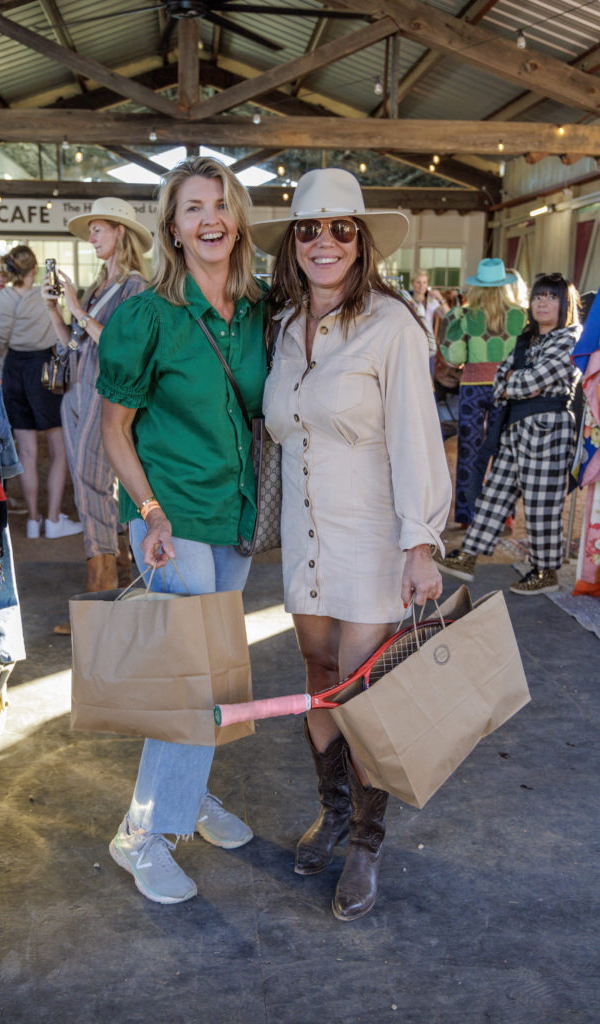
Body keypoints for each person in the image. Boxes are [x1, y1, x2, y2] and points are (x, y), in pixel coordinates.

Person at [252, 168, 452, 922]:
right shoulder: (281, 329)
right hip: (306, 537)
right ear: (293, 244)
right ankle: (332, 811)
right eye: (309, 228)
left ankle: (366, 841)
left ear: (360, 241)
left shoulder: (392, 326)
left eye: (340, 228)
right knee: (316, 674)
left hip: (372, 535)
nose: (324, 240)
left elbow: (415, 438)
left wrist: (420, 543)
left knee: (361, 692)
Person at [97, 157, 267, 905]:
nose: (210, 218)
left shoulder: (258, 310)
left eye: (221, 204)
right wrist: (151, 512)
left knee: (217, 671)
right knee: (189, 678)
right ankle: (141, 832)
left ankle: (187, 793)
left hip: (232, 517)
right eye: (193, 206)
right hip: (168, 517)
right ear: (172, 225)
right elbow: (113, 430)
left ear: (238, 219)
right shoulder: (146, 315)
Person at [435, 272, 582, 596]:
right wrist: (514, 384)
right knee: (495, 493)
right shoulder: (526, 339)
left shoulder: (570, 338)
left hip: (549, 431)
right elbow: (503, 380)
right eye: (539, 296)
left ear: (565, 303)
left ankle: (545, 570)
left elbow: (527, 382)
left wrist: (514, 383)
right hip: (515, 427)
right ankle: (469, 555)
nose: (542, 303)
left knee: (542, 503)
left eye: (551, 297)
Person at [42, 198, 150, 605]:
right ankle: (116, 572)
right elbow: (76, 344)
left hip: (103, 398)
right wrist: (56, 311)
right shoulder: (100, 285)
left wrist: (75, 309)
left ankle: (101, 592)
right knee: (90, 485)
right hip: (76, 393)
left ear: (121, 232)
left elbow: (122, 348)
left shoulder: (135, 287)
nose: (91, 237)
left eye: (98, 229)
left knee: (93, 487)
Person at [0, 245, 82, 540]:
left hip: (13, 370)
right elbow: (63, 338)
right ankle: (54, 521)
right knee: (58, 450)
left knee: (26, 453)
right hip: (44, 371)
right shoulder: (46, 299)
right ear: (34, 270)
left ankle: (33, 520)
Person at [441, 258, 527, 526]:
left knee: (469, 452)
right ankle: (505, 517)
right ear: (504, 285)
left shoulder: (465, 316)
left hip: (473, 388)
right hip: (508, 388)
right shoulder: (521, 315)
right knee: (506, 453)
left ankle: (468, 515)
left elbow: (454, 358)